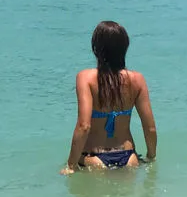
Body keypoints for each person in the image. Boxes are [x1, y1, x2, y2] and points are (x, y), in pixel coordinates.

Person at [61, 20, 157, 174]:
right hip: (129, 158)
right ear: (125, 48)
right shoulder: (137, 79)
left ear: (96, 48)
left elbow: (84, 126)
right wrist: (150, 157)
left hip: (94, 158)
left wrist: (70, 166)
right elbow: (150, 128)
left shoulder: (85, 78)